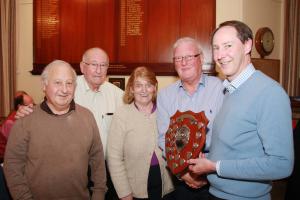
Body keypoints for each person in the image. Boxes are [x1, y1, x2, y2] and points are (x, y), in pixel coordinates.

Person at [187, 20, 294, 200]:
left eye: (228, 46)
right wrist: (208, 159)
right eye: (216, 48)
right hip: (215, 193)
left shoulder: (270, 93)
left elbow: (281, 165)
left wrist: (214, 167)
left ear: (247, 45)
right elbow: (236, 147)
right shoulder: (229, 89)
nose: (221, 55)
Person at [15, 47, 123, 200]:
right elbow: (44, 113)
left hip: (105, 169)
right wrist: (25, 113)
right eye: (93, 64)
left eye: (103, 65)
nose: (98, 70)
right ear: (82, 66)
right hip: (71, 170)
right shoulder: (67, 87)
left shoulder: (118, 95)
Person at [157, 37, 224, 200]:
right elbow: (163, 139)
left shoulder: (220, 88)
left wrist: (207, 168)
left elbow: (228, 136)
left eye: (188, 57)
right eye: (178, 58)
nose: (183, 62)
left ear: (201, 59)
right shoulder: (165, 96)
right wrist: (185, 173)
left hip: (216, 178)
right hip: (182, 181)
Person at [107, 66, 174, 200]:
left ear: (155, 87)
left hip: (166, 187)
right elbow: (114, 158)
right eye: (138, 85)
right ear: (131, 88)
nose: (144, 90)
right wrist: (124, 193)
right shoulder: (122, 115)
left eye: (148, 85)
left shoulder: (165, 111)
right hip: (134, 189)